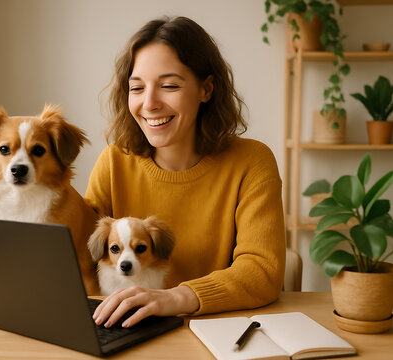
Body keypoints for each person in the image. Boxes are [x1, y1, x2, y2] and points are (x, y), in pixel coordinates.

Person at [84, 16, 285, 329]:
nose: (149, 103)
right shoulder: (113, 161)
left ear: (206, 89)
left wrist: (175, 298)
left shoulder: (252, 161)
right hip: (129, 331)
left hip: (221, 331)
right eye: (136, 88)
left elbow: (262, 270)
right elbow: (76, 252)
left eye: (169, 86)